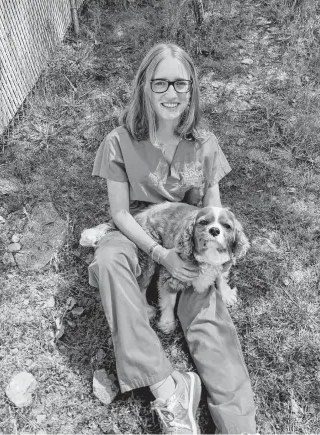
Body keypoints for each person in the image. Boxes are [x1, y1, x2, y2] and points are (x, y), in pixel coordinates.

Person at [88, 42, 257, 434]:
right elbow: (120, 213)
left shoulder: (204, 144)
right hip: (135, 235)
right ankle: (170, 391)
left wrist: (214, 268)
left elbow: (214, 213)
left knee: (210, 323)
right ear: (144, 86)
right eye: (160, 83)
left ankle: (239, 427)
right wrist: (160, 254)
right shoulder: (119, 140)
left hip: (189, 248)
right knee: (110, 261)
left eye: (180, 84)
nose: (171, 94)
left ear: (192, 88)